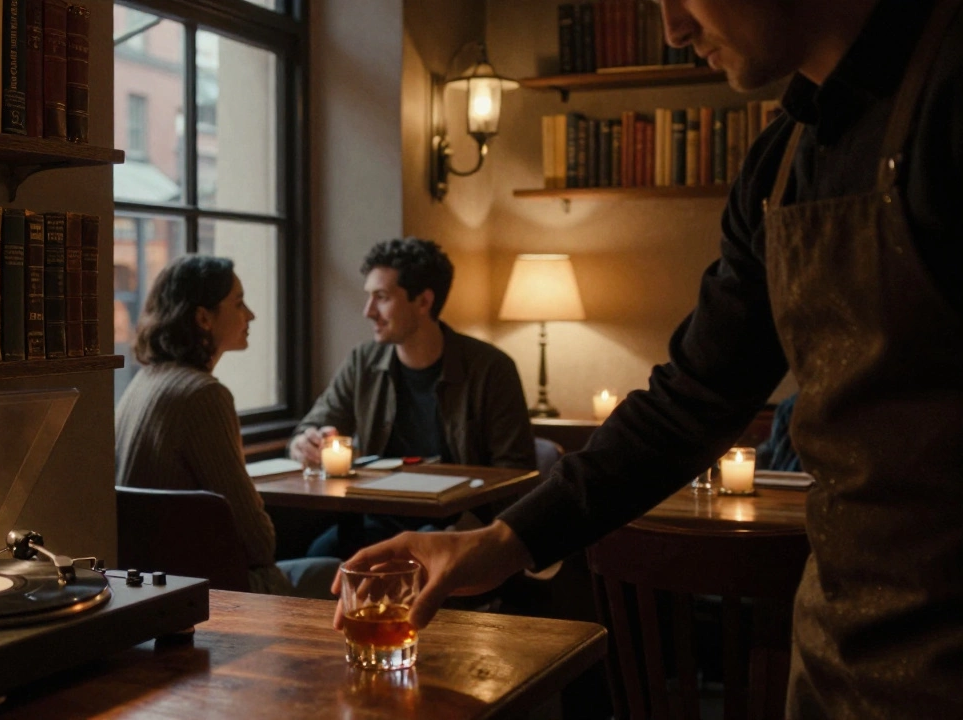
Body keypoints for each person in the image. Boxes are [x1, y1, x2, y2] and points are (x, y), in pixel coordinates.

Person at [334, 0, 963, 716]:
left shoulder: (949, 85)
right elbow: (688, 403)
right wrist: (503, 540)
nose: (673, 29)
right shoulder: (781, 161)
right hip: (834, 644)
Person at [289, 238, 536, 556]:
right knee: (318, 558)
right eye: (369, 297)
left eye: (381, 297)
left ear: (423, 302)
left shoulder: (490, 368)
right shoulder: (363, 362)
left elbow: (515, 473)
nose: (368, 311)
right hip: (375, 520)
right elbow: (313, 426)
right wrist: (306, 443)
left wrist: (474, 536)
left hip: (457, 527)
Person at [116, 255, 339, 599]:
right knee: (344, 574)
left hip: (143, 585)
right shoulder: (204, 395)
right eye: (238, 303)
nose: (250, 315)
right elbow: (259, 543)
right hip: (207, 590)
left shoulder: (143, 382)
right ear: (203, 318)